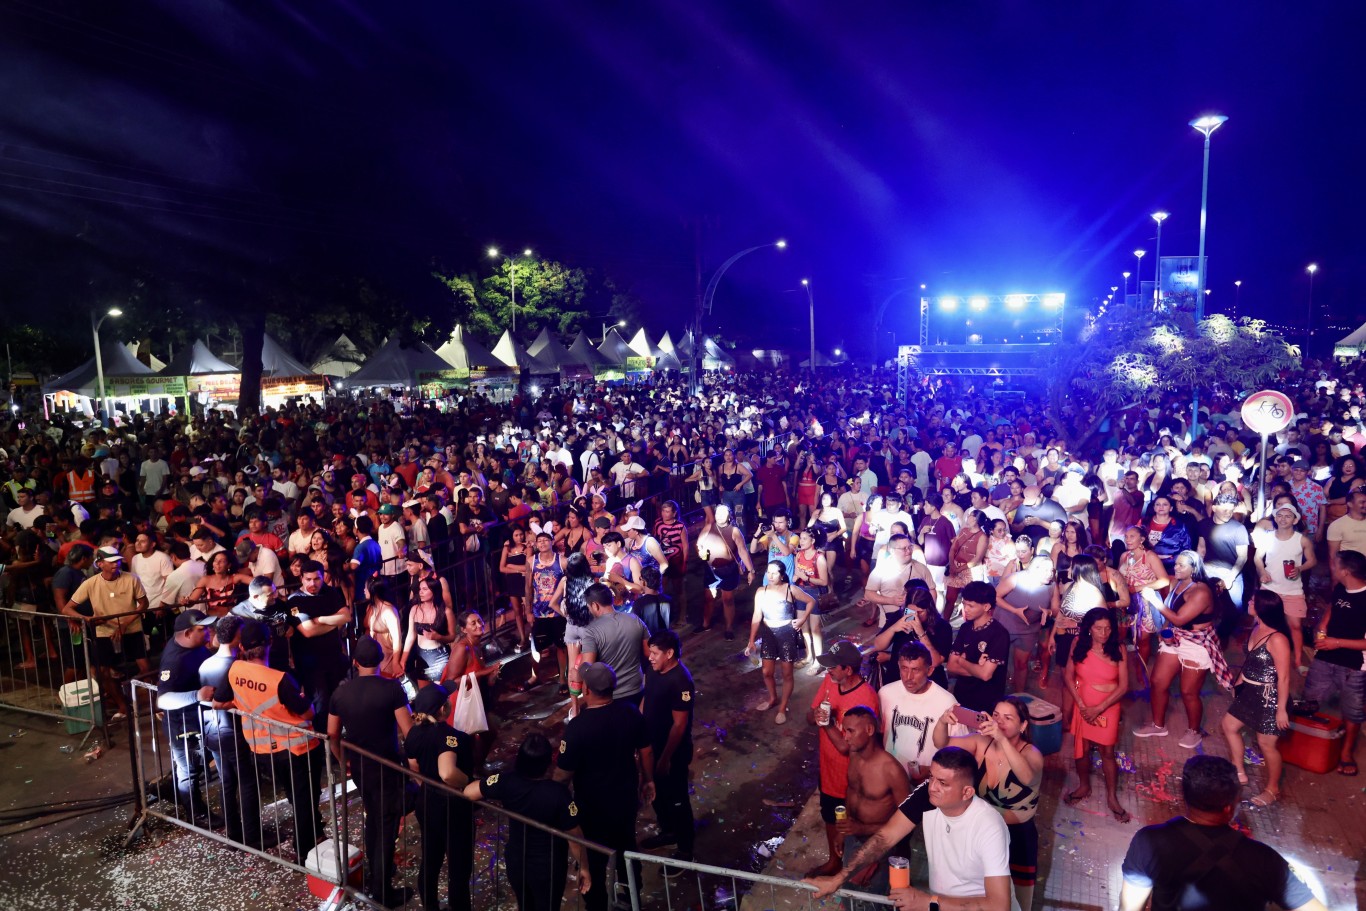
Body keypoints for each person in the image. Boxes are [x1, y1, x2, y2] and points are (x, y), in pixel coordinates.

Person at [806, 745, 1012, 911]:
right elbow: (885, 837)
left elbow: (999, 905)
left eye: (943, 783)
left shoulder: (989, 826)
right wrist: (838, 879)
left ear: (967, 792)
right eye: (931, 777)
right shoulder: (927, 796)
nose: (932, 787)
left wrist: (928, 902)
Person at [1119, 755, 1325, 911]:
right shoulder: (1264, 860)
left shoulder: (1149, 841)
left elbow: (1130, 906)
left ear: (1185, 797)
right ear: (1228, 807)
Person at [210, 619, 325, 863]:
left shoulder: (235, 670)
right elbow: (307, 713)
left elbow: (218, 703)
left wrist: (243, 703)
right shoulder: (279, 679)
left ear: (241, 647)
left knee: (295, 796)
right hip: (297, 748)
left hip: (263, 750)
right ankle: (305, 853)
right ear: (270, 643)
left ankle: (313, 835)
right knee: (304, 800)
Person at [554, 662, 654, 911]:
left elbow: (563, 774)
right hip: (625, 800)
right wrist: (648, 778)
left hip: (592, 807)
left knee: (594, 859)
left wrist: (555, 799)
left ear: (586, 689)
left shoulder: (578, 727)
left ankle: (597, 903)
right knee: (626, 848)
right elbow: (646, 750)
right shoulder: (631, 712)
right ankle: (632, 896)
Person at [931, 696, 1044, 911]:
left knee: (1019, 902)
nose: (999, 722)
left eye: (1007, 718)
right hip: (982, 833)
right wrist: (943, 722)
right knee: (981, 891)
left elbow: (1027, 777)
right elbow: (941, 743)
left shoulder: (1032, 754)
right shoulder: (981, 742)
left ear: (1023, 725)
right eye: (996, 715)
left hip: (1018, 836)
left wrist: (1001, 739)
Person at [328, 636, 413, 908]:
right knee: (386, 824)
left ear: (355, 662)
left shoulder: (340, 693)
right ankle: (382, 890)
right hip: (387, 767)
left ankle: (378, 872)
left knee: (373, 818)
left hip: (360, 768)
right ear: (380, 660)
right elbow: (408, 730)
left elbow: (332, 734)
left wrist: (343, 761)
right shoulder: (391, 689)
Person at [464, 733, 592, 911]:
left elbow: (469, 792)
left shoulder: (507, 781)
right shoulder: (558, 793)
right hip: (548, 866)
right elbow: (574, 836)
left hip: (517, 861)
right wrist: (584, 867)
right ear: (548, 763)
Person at [1135, 550, 1234, 749]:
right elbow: (1171, 615)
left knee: (1188, 692)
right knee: (1158, 682)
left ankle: (1194, 731)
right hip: (1175, 637)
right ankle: (1158, 725)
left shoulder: (1201, 592)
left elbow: (1179, 618)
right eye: (1176, 564)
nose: (1176, 568)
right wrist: (1165, 633)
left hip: (1195, 643)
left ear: (1194, 568)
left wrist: (1155, 602)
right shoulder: (1177, 583)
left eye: (1182, 565)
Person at [804, 639, 880, 877]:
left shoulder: (865, 699)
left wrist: (825, 723)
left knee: (850, 821)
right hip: (827, 769)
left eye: (833, 666)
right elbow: (810, 716)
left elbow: (848, 747)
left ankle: (854, 866)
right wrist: (816, 715)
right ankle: (834, 861)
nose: (828, 670)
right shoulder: (830, 680)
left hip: (850, 777)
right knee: (829, 815)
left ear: (848, 670)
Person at [405, 684, 476, 911]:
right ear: (442, 709)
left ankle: (431, 907)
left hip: (427, 801)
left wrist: (427, 783)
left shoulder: (414, 733)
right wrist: (469, 784)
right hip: (451, 806)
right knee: (458, 866)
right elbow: (447, 773)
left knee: (431, 859)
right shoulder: (448, 735)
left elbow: (413, 765)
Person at [1221, 590, 1293, 808]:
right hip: (1250, 691)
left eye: (1253, 601)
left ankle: (1273, 789)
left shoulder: (1277, 638)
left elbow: (1284, 677)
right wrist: (1240, 680)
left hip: (1269, 696)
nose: (1249, 602)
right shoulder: (1256, 627)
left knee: (1266, 744)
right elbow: (1251, 660)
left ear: (1262, 608)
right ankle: (1239, 770)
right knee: (1228, 725)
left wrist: (1281, 709)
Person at [197, 613, 263, 848]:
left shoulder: (206, 663)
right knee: (246, 783)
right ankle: (253, 836)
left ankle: (233, 834)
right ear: (236, 637)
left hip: (211, 730)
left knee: (227, 783)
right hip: (233, 731)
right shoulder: (237, 667)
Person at [63, 546, 150, 720]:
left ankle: (152, 702)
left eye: (117, 561)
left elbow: (143, 604)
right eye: (111, 562)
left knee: (145, 667)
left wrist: (124, 624)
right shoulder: (90, 583)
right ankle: (122, 705)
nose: (115, 565)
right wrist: (87, 619)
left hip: (132, 628)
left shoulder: (131, 579)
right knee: (103, 671)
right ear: (100, 564)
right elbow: (67, 608)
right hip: (103, 631)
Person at [831, 705, 911, 893]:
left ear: (869, 730)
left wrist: (863, 828)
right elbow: (851, 792)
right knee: (850, 889)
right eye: (844, 731)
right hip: (854, 835)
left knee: (874, 895)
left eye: (850, 731)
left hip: (881, 842)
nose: (846, 737)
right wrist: (843, 830)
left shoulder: (892, 770)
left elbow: (906, 824)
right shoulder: (854, 755)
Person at [1063, 607, 1131, 821]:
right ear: (1089, 629)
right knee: (1081, 749)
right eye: (1099, 628)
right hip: (1082, 705)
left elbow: (1123, 687)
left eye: (1108, 628)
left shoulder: (1118, 649)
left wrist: (1098, 709)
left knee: (1107, 752)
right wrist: (1081, 704)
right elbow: (1068, 675)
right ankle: (1084, 786)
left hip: (1108, 707)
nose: (1104, 633)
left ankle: (1112, 797)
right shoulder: (1078, 645)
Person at [155, 608, 221, 826]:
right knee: (189, 772)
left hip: (199, 719)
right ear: (186, 634)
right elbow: (163, 700)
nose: (208, 633)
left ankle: (170, 788)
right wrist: (197, 695)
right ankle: (196, 813)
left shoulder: (194, 646)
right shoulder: (174, 661)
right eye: (202, 630)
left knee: (201, 763)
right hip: (182, 725)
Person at [1305, 548, 1366, 777]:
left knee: (1352, 712)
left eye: (1336, 564)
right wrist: (1322, 626)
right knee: (1310, 700)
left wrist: (1336, 642)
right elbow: (1334, 605)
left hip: (1354, 665)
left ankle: (1346, 753)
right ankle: (1309, 741)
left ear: (1346, 571)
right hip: (1326, 655)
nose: (1332, 567)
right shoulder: (1341, 587)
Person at [639, 630, 696, 865]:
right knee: (657, 794)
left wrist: (665, 759)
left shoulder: (681, 681)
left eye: (654, 653)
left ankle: (685, 850)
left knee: (677, 798)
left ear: (669, 653)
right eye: (650, 652)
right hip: (652, 747)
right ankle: (668, 831)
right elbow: (646, 700)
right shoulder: (654, 671)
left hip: (672, 754)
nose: (650, 657)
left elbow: (679, 725)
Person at [743, 562, 816, 724]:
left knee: (787, 673)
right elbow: (757, 616)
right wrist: (751, 640)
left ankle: (783, 707)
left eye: (774, 573)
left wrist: (802, 619)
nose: (770, 576)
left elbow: (811, 601)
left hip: (786, 634)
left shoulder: (791, 589)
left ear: (782, 575)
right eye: (768, 572)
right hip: (768, 633)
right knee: (766, 672)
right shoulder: (761, 591)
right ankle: (773, 698)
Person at [879, 641, 958, 785]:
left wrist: (930, 770)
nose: (908, 677)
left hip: (926, 784)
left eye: (915, 670)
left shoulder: (946, 702)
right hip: (889, 780)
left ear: (929, 671)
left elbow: (957, 752)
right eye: (904, 668)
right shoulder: (886, 694)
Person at [1253, 502, 1316, 672]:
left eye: (1288, 516)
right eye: (1280, 515)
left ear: (1295, 520)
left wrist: (1299, 569)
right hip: (1270, 588)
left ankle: (1298, 661)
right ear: (1275, 518)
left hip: (1293, 590)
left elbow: (1312, 560)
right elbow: (1257, 558)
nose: (1283, 519)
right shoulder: (1268, 537)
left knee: (1295, 626)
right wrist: (1262, 572)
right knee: (1264, 625)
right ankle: (1260, 657)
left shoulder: (1301, 539)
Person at [992, 535, 1054, 693]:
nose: (1050, 574)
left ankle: (1019, 696)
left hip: (1028, 630)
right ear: (1035, 569)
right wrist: (1014, 610)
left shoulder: (1052, 586)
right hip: (1005, 625)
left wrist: (1048, 611)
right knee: (998, 662)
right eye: (1045, 570)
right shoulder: (1016, 579)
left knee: (1021, 665)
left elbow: (1056, 609)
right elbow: (994, 597)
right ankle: (995, 695)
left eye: (1052, 570)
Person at [869, 583, 952, 690]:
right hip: (897, 680)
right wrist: (893, 628)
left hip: (927, 684)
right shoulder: (900, 616)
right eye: (911, 612)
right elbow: (877, 645)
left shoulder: (942, 626)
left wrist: (921, 633)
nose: (915, 616)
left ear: (929, 609)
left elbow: (936, 661)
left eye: (920, 612)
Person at [578, 582, 650, 702]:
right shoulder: (635, 620)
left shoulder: (591, 631)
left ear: (595, 605)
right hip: (637, 689)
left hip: (610, 696)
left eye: (589, 607)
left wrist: (577, 672)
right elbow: (649, 654)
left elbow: (588, 669)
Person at [946, 581, 1009, 712]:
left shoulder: (999, 634)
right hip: (961, 697)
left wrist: (962, 662)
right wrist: (978, 670)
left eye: (971, 606)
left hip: (986, 702)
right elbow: (951, 666)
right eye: (964, 604)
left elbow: (985, 675)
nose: (965, 609)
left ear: (986, 607)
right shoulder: (965, 628)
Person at [696, 504, 755, 638]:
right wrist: (701, 552)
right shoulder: (709, 527)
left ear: (729, 516)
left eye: (722, 514)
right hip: (711, 570)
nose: (719, 516)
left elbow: (742, 550)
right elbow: (699, 544)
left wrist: (751, 570)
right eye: (717, 514)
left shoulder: (734, 531)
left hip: (729, 570)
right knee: (708, 598)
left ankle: (729, 628)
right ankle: (705, 624)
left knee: (727, 599)